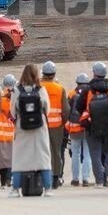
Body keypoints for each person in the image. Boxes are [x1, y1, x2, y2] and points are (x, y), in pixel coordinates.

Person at [75, 61, 108, 188]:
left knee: (95, 152)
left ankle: (99, 181)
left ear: (94, 73)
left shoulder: (88, 89)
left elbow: (79, 106)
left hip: (92, 125)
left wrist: (87, 116)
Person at [9, 64, 54, 197]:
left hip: (22, 126)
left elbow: (13, 111)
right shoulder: (41, 89)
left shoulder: (17, 90)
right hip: (40, 127)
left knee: (19, 159)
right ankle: (47, 188)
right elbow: (47, 109)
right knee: (43, 157)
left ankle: (16, 189)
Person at [40, 61, 70, 189]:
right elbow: (66, 110)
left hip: (41, 125)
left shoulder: (39, 87)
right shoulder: (60, 89)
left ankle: (43, 176)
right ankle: (56, 177)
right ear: (54, 74)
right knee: (56, 152)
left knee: (42, 151)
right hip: (57, 126)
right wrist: (62, 122)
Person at [66, 73, 92, 187]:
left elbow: (67, 110)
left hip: (75, 128)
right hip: (87, 127)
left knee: (75, 153)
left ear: (77, 83)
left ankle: (75, 179)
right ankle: (86, 179)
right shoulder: (91, 94)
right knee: (87, 153)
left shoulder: (72, 94)